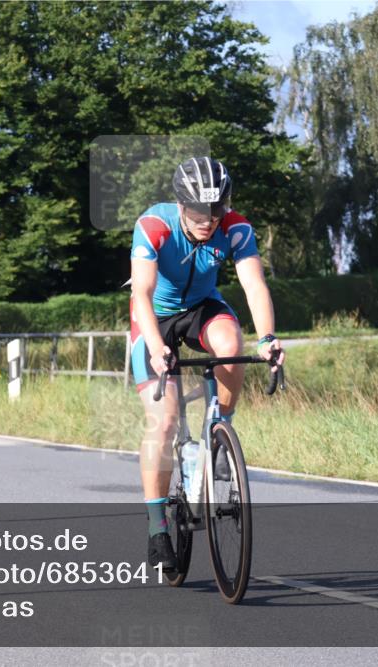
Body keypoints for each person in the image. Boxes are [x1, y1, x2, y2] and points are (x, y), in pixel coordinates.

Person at [129, 157, 283, 570]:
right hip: (154, 317)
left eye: (216, 211)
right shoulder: (153, 226)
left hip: (200, 308)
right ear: (180, 205)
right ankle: (157, 526)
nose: (208, 221)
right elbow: (141, 293)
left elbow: (253, 284)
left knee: (232, 341)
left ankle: (220, 433)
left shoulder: (235, 228)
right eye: (198, 212)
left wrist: (267, 339)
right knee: (163, 421)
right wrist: (158, 347)